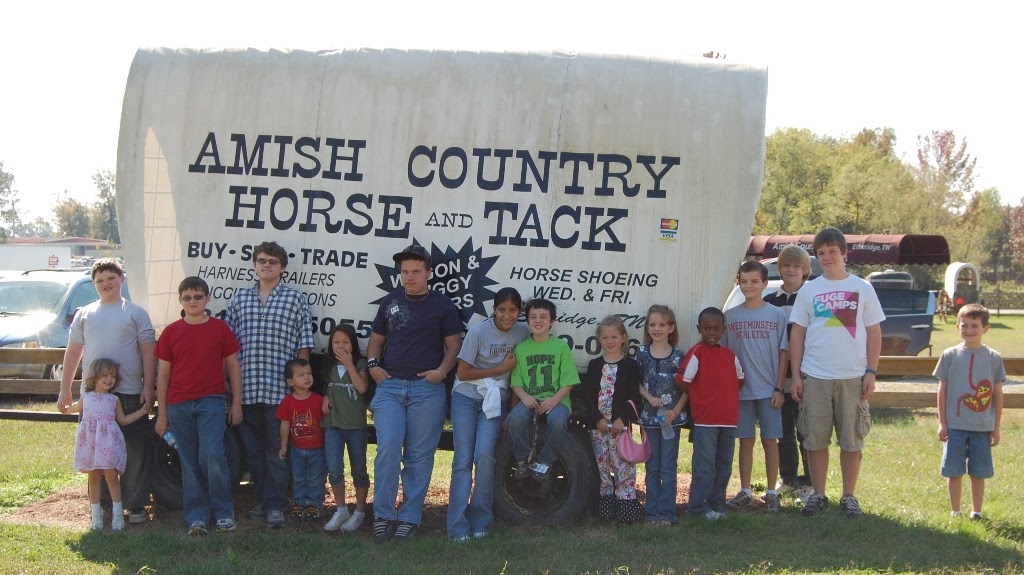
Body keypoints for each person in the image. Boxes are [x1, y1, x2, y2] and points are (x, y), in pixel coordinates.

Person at [367, 244, 463, 543]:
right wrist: (373, 367)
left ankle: (409, 517)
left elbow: (454, 345)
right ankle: (383, 515)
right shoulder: (390, 301)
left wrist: (442, 372)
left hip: (427, 389)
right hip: (391, 386)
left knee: (419, 457)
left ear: (428, 273)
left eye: (416, 272)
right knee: (387, 451)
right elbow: (376, 340)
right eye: (405, 272)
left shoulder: (443, 306)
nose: (409, 277)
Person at [790, 227, 884, 519]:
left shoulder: (863, 288)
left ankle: (849, 496)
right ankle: (818, 495)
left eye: (833, 251)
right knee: (815, 440)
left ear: (845, 253)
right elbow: (797, 334)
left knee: (851, 440)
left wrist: (871, 370)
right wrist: (796, 375)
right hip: (815, 376)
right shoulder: (809, 289)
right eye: (821, 253)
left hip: (853, 377)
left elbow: (874, 331)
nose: (828, 257)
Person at [57, 258, 157, 526]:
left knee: (135, 450)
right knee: (96, 454)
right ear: (94, 284)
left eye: (111, 278)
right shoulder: (85, 314)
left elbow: (149, 350)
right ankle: (100, 507)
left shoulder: (136, 313)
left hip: (130, 392)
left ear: (121, 279)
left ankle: (135, 504)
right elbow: (74, 351)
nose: (106, 284)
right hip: (93, 397)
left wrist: (148, 386)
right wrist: (65, 388)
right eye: (100, 281)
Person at [226, 241, 314, 528]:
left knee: (277, 450)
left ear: (282, 268)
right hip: (248, 389)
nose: (266, 265)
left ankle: (276, 505)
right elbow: (230, 350)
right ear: (254, 265)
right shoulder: (239, 300)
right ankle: (262, 501)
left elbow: (304, 345)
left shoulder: (295, 299)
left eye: (273, 262)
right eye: (262, 261)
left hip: (280, 391)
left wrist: (299, 386)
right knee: (253, 452)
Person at [154, 276, 243, 536]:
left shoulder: (220, 328)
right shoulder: (171, 332)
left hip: (211, 402)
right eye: (187, 297)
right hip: (178, 405)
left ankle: (224, 514)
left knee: (213, 457)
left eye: (198, 296)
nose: (193, 301)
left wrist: (236, 403)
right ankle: (196, 517)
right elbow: (163, 376)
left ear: (208, 298)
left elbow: (233, 367)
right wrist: (162, 414)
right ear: (180, 300)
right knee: (188, 461)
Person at [447, 287, 529, 542]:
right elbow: (463, 373)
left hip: (495, 402)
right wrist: (499, 368)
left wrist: (513, 410)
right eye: (502, 310)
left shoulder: (524, 332)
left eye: (513, 310)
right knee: (462, 460)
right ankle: (457, 525)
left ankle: (481, 519)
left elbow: (519, 375)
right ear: (494, 310)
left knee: (484, 456)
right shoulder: (479, 332)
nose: (507, 315)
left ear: (520, 312)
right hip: (466, 397)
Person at [723, 261, 789, 513]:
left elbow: (784, 353)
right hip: (742, 392)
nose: (749, 286)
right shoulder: (731, 316)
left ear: (764, 283)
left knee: (770, 440)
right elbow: (726, 356)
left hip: (769, 389)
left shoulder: (776, 315)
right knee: (745, 440)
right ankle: (746, 490)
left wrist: (779, 388)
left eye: (754, 281)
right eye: (744, 281)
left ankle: (771, 491)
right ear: (738, 283)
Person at [934, 303, 1005, 521]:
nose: (969, 330)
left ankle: (977, 511)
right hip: (955, 425)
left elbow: (997, 393)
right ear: (957, 327)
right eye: (964, 326)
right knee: (954, 470)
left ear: (985, 328)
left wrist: (996, 426)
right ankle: (956, 511)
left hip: (981, 426)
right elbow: (942, 390)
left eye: (974, 326)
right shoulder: (950, 355)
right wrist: (942, 422)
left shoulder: (993, 357)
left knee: (978, 472)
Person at [676, 307, 745, 521]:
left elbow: (740, 379)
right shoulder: (697, 352)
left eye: (716, 329)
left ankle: (717, 505)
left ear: (724, 329)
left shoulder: (729, 355)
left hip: (729, 420)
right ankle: (698, 507)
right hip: (705, 420)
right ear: (699, 329)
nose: (712, 333)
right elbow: (682, 381)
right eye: (706, 329)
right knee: (705, 466)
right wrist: (702, 395)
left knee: (723, 465)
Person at [67, 358, 149, 531]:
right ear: (94, 377)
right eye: (105, 375)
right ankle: (96, 516)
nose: (109, 379)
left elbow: (123, 420)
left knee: (112, 477)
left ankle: (118, 515)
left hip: (108, 444)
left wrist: (142, 412)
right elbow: (74, 408)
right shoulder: (86, 397)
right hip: (91, 444)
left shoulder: (113, 400)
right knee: (94, 477)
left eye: (112, 375)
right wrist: (64, 407)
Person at [507, 298, 581, 484]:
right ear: (528, 321)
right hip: (530, 399)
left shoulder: (560, 346)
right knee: (515, 419)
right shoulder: (522, 349)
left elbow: (569, 381)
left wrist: (554, 400)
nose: (538, 321)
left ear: (552, 322)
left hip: (557, 400)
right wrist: (524, 397)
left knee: (557, 421)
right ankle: (524, 459)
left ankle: (544, 460)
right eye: (533, 317)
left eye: (543, 317)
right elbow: (516, 382)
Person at [582, 316, 644, 524]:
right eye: (605, 337)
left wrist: (622, 419)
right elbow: (589, 396)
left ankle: (626, 509)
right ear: (599, 339)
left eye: (614, 337)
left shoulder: (630, 366)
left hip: (620, 428)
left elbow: (634, 396)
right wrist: (597, 418)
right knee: (602, 466)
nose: (610, 341)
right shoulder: (594, 365)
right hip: (598, 427)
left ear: (624, 338)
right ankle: (606, 509)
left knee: (623, 466)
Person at [763, 245, 812, 498]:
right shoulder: (769, 302)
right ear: (779, 268)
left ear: (805, 270)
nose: (791, 270)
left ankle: (809, 482)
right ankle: (789, 478)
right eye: (786, 265)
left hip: (808, 376)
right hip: (779, 378)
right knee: (782, 432)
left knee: (807, 430)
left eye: (797, 266)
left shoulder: (813, 299)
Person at [636, 304, 687, 526]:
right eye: (652, 324)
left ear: (671, 328)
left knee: (668, 465)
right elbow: (636, 383)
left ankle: (667, 512)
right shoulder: (642, 354)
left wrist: (676, 410)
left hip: (671, 421)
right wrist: (648, 398)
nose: (657, 329)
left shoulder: (679, 356)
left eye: (662, 325)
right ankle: (651, 511)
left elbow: (687, 388)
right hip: (648, 419)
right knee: (652, 465)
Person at [320, 324, 370, 533]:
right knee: (334, 468)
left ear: (353, 344)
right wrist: (324, 396)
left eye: (346, 342)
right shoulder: (328, 366)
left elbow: (362, 388)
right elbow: (325, 387)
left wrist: (349, 364)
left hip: (355, 426)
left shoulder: (360, 364)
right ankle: (341, 509)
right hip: (333, 425)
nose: (341, 346)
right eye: (336, 342)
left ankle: (359, 511)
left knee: (358, 468)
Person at [276, 358, 326, 522]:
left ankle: (314, 504)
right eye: (301, 375)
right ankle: (298, 503)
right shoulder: (287, 402)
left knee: (315, 478)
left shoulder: (318, 400)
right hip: (296, 448)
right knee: (298, 477)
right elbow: (285, 424)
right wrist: (283, 446)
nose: (307, 377)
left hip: (317, 448)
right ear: (291, 381)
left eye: (309, 373)